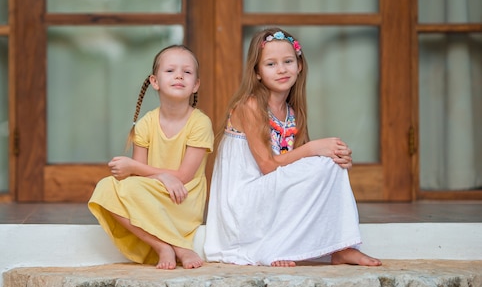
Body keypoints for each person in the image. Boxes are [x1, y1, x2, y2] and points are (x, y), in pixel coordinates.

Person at [203, 27, 382, 267]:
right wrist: (315, 148)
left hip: (267, 197)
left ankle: (342, 248)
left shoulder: (291, 112)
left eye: (288, 61)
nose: (281, 69)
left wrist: (336, 158)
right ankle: (277, 247)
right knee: (319, 159)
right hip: (242, 206)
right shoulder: (250, 106)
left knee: (327, 164)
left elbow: (302, 170)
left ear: (299, 65)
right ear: (256, 72)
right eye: (271, 64)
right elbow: (268, 166)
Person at [88, 44, 214, 270]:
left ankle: (180, 245)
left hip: (182, 198)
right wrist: (161, 177)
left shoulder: (200, 123)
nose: (179, 75)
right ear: (155, 81)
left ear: (195, 85)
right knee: (105, 188)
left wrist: (154, 174)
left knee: (132, 187)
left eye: (187, 72)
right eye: (170, 71)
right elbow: (139, 175)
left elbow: (183, 177)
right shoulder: (146, 122)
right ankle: (161, 245)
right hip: (153, 195)